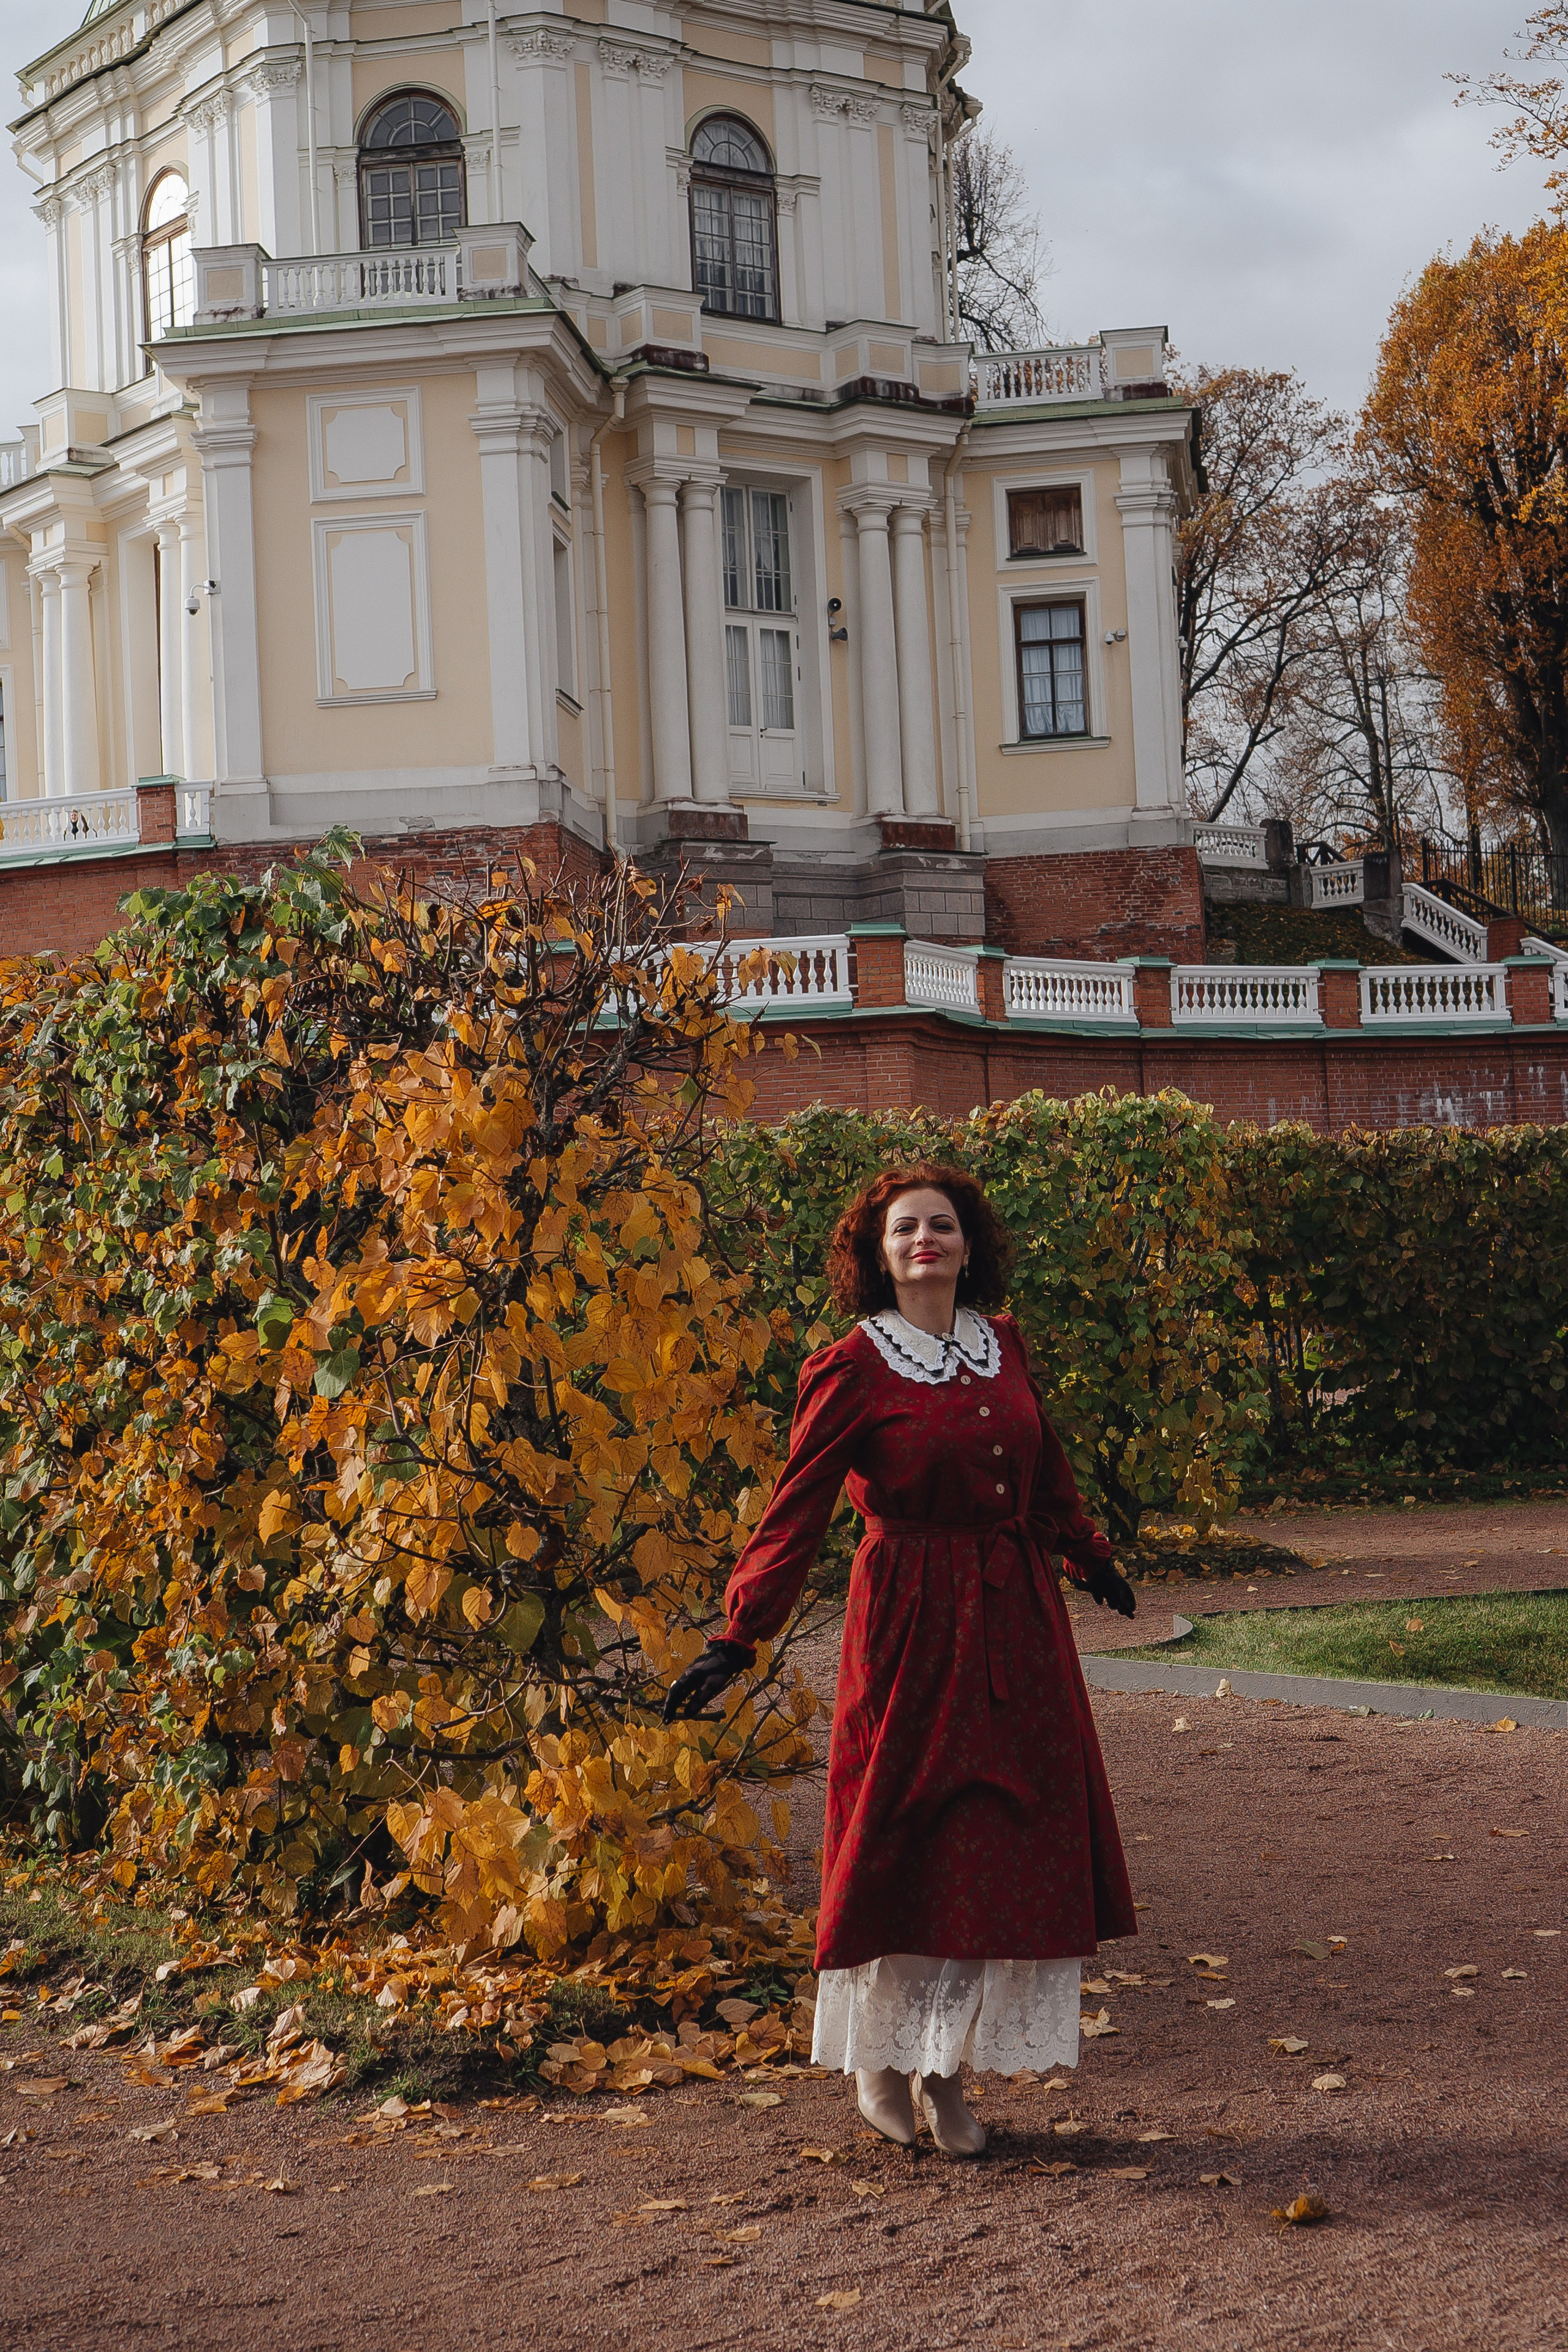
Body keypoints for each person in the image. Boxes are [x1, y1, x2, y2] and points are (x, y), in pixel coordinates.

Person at [665, 1163, 1139, 2157]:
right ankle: (879, 2063)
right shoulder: (854, 1366)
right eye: (905, 1230)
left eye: (942, 1226)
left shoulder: (1002, 1346)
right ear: (878, 1255)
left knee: (994, 1853)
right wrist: (736, 1633)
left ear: (969, 1244)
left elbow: (1045, 1473)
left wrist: (1090, 1557)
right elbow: (796, 1508)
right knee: (906, 1847)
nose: (925, 1240)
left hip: (1017, 1628)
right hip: (909, 1634)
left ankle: (944, 2074)